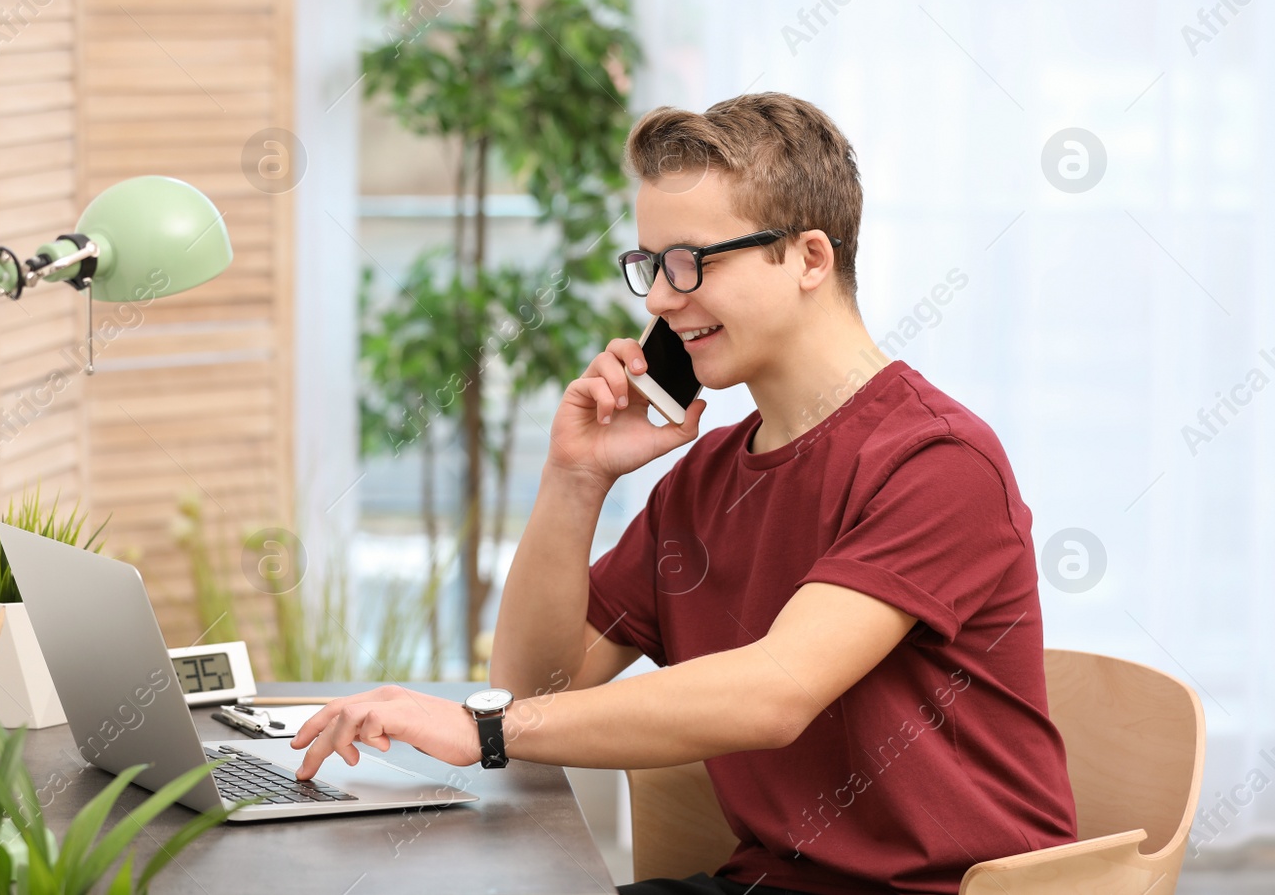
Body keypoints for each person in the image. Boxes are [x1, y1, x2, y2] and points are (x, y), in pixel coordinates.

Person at [290, 92, 1077, 894]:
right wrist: (576, 478)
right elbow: (533, 689)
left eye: (691, 261)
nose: (660, 300)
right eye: (650, 265)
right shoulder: (706, 481)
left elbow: (776, 692)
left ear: (809, 257)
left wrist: (481, 727)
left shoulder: (936, 460)